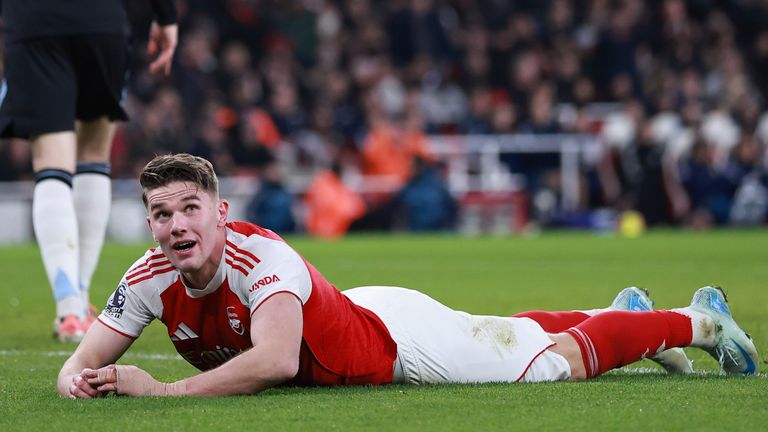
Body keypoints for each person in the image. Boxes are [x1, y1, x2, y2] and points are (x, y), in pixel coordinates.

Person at [57, 154, 758, 398]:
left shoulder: (260, 257)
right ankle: (621, 317)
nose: (177, 225)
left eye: (190, 209)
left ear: (220, 213)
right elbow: (76, 366)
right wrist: (82, 384)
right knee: (512, 334)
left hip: (399, 346)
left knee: (553, 366)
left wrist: (162, 392)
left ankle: (698, 321)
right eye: (162, 213)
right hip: (357, 315)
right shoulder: (148, 275)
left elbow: (274, 361)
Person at [0, 0, 179, 342]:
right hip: (100, 21)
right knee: (93, 155)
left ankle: (70, 310)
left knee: (52, 162)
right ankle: (79, 302)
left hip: (34, 22)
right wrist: (165, 17)